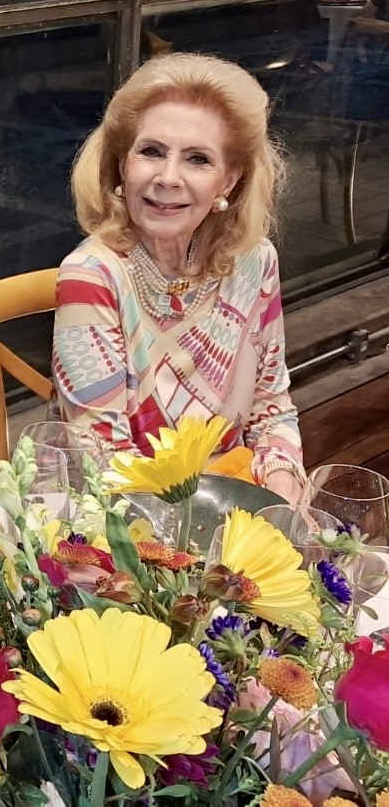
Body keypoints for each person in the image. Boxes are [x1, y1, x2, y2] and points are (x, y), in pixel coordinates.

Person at [52, 53, 306, 503]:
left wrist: (283, 488)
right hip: (118, 527)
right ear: (121, 165)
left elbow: (271, 407)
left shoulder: (254, 261)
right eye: (151, 152)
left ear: (228, 181)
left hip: (232, 501)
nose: (168, 178)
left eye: (197, 159)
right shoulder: (91, 277)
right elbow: (105, 466)